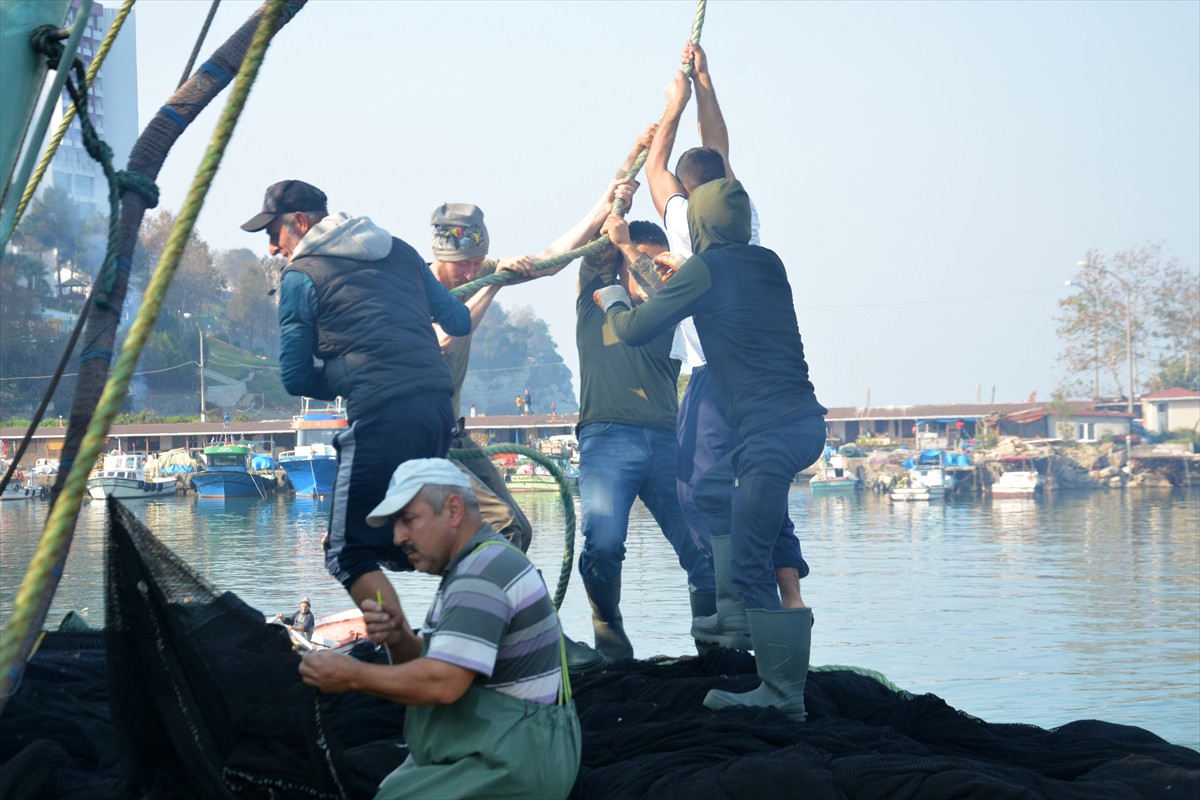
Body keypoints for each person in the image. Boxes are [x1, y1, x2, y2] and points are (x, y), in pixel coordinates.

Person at [597, 177, 827, 721]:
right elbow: (694, 293)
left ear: (697, 226)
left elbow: (634, 328)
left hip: (768, 438)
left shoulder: (703, 269)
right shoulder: (768, 262)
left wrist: (612, 297)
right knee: (707, 487)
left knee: (749, 567)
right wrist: (647, 260)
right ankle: (748, 618)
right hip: (801, 426)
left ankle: (782, 692)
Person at [243, 179, 470, 656]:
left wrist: (350, 377)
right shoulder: (403, 252)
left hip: (381, 415)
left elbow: (295, 376)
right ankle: (484, 627)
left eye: (274, 233)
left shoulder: (301, 277)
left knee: (346, 552)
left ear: (301, 223)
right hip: (434, 409)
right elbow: (459, 322)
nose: (270, 246)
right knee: (400, 538)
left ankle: (410, 660)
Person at [523, 132, 714, 663]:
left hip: (666, 440)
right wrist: (620, 199)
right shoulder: (596, 298)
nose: (648, 271)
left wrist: (641, 252)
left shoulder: (670, 310)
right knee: (603, 546)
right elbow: (600, 250)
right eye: (639, 262)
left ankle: (712, 641)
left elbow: (662, 288)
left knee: (700, 548)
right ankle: (608, 623)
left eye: (658, 264)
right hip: (607, 439)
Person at [645, 42, 806, 649]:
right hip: (766, 382)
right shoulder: (746, 217)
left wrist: (673, 105)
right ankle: (787, 600)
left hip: (715, 377)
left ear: (689, 196)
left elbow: (657, 168)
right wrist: (707, 85)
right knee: (761, 490)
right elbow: (720, 153)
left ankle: (734, 612)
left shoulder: (686, 222)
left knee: (699, 488)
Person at [298, 459, 580, 800]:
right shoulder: (479, 563)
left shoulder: (481, 574)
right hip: (514, 750)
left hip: (513, 766)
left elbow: (443, 684)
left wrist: (353, 675)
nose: (398, 537)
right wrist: (398, 636)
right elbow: (439, 666)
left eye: (408, 520)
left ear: (454, 509)